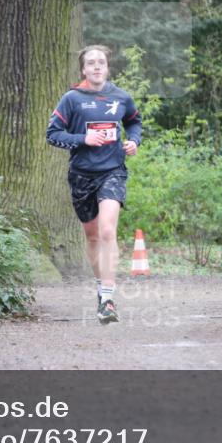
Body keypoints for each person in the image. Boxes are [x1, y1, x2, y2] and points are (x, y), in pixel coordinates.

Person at [46, 45, 142, 324]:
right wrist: (83, 139)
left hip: (113, 171)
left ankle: (108, 300)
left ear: (107, 67)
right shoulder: (72, 99)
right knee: (93, 237)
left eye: (101, 62)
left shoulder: (121, 97)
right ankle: (101, 290)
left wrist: (134, 141)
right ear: (83, 69)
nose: (97, 66)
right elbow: (52, 134)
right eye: (91, 63)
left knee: (108, 230)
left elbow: (134, 122)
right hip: (82, 175)